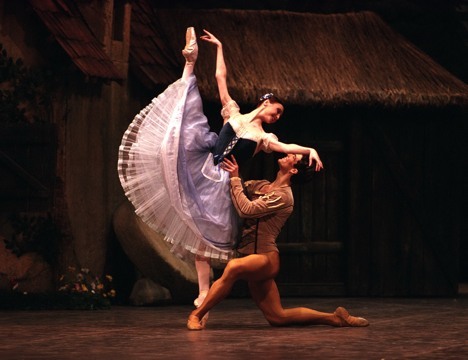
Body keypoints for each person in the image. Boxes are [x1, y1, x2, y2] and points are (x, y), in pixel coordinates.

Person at [117, 27, 324, 308]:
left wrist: (309, 149)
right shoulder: (233, 112)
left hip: (221, 182)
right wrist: (220, 47)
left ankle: (203, 292)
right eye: (277, 110)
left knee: (202, 239)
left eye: (279, 116)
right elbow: (219, 77)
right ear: (267, 102)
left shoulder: (265, 138)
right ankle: (190, 62)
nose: (277, 117)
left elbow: (288, 148)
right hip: (203, 166)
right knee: (180, 129)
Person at [187, 154, 369, 330]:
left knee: (233, 267)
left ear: (294, 170)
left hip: (265, 258)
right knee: (277, 317)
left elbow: (246, 210)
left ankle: (196, 314)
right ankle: (334, 318)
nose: (288, 155)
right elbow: (234, 191)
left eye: (293, 157)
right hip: (250, 255)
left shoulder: (283, 196)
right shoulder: (263, 185)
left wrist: (234, 179)